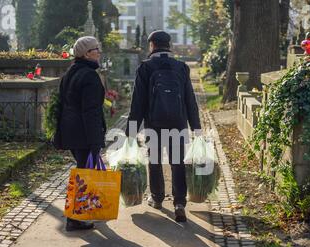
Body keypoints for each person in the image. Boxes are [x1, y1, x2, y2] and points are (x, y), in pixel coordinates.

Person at [125, 30, 202, 223]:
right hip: (178, 122)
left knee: (155, 160)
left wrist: (131, 132)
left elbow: (138, 102)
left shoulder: (146, 67)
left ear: (152, 45)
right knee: (177, 161)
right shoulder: (181, 67)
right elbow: (189, 100)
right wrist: (196, 127)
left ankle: (157, 198)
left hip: (154, 123)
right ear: (169, 45)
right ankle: (179, 203)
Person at [58, 36, 107, 231]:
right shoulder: (89, 76)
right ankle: (74, 219)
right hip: (84, 134)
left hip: (71, 132)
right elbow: (91, 111)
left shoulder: (71, 72)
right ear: (87, 53)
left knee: (82, 173)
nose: (99, 52)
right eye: (97, 49)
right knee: (84, 175)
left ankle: (77, 215)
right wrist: (96, 141)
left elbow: (62, 105)